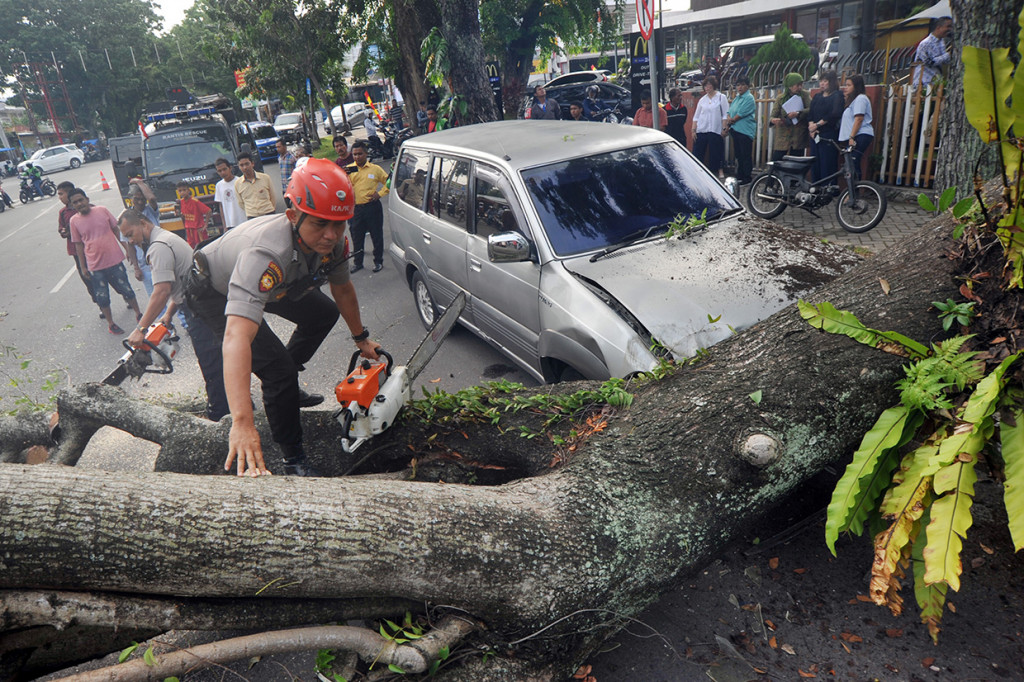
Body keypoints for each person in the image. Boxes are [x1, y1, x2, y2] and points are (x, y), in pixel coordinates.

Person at [184, 158, 381, 477]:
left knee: (324, 314)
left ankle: (282, 385)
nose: (331, 235)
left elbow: (342, 289)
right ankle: (294, 460)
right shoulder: (266, 254)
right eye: (319, 223)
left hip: (281, 282)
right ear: (292, 216)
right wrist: (243, 423)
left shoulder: (334, 243)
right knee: (280, 373)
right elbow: (236, 338)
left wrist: (362, 339)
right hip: (214, 290)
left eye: (339, 223)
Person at [118, 209, 229, 421]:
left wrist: (141, 329)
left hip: (200, 307)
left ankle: (220, 414)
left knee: (211, 363)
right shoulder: (166, 238)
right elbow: (182, 283)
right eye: (127, 237)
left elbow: (161, 291)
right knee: (220, 357)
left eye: (131, 234)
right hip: (200, 299)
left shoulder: (158, 248)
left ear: (143, 223)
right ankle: (235, 402)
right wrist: (169, 313)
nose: (130, 241)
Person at [68, 188, 142, 335]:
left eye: (81, 200)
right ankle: (111, 323)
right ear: (72, 206)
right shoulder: (74, 221)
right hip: (95, 266)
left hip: (114, 260)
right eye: (75, 202)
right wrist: (83, 267)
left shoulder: (102, 210)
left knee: (126, 289)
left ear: (87, 200)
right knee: (102, 297)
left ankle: (139, 313)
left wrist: (127, 249)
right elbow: (78, 245)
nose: (79, 203)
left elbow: (116, 230)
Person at [57, 181, 102, 315]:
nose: (59, 197)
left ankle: (126, 295)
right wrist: (63, 232)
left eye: (61, 194)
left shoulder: (88, 208)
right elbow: (61, 228)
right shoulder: (63, 212)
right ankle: (100, 304)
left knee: (107, 275)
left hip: (94, 249)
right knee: (87, 279)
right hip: (77, 252)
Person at [346, 140, 389, 273]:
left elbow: (388, 181)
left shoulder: (375, 169)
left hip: (372, 207)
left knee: (376, 235)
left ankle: (378, 261)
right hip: (356, 209)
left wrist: (380, 194)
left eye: (360, 154)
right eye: (354, 154)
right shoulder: (349, 169)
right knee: (357, 236)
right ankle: (358, 263)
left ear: (366, 154)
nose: (357, 157)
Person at [806, 70, 845, 183]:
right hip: (815, 134)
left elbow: (835, 114)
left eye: (825, 81)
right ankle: (816, 185)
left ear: (831, 82)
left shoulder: (837, 95)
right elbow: (811, 113)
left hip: (828, 133)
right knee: (815, 161)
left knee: (827, 161)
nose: (822, 84)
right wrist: (811, 127)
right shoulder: (817, 97)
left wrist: (818, 124)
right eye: (821, 81)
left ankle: (828, 187)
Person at [692, 75, 730, 177]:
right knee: (698, 151)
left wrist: (724, 128)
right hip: (702, 128)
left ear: (713, 86)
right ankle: (697, 171)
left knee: (716, 151)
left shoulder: (721, 97)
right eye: (705, 86)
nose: (707, 88)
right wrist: (693, 130)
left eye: (709, 85)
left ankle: (718, 170)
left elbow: (725, 114)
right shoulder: (702, 100)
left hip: (715, 128)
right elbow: (696, 116)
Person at [838, 74, 874, 181]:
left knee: (853, 162)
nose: (846, 88)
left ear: (856, 86)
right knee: (852, 163)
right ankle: (852, 191)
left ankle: (854, 192)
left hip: (861, 135)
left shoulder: (861, 98)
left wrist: (851, 137)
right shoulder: (853, 100)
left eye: (849, 85)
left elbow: (859, 119)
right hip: (856, 135)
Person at [769, 72, 811, 161]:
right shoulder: (781, 98)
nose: (800, 87)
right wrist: (774, 120)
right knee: (777, 160)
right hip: (783, 134)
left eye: (801, 85)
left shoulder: (805, 95)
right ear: (790, 86)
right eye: (797, 85)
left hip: (798, 134)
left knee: (796, 160)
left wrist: (798, 113)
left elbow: (811, 109)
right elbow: (773, 115)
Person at [724, 77, 756, 184]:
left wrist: (732, 120)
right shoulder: (737, 97)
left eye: (742, 85)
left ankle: (747, 177)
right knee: (738, 155)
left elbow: (741, 113)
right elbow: (730, 110)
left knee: (745, 155)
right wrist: (729, 117)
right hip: (735, 130)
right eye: (738, 85)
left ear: (747, 86)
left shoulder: (749, 98)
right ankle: (740, 175)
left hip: (745, 131)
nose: (740, 87)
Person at [233, 151, 276, 220]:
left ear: (252, 163)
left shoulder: (265, 178)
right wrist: (252, 212)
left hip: (269, 214)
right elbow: (241, 203)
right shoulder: (237, 183)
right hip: (252, 217)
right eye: (241, 165)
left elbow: (272, 197)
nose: (245, 167)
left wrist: (270, 210)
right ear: (239, 167)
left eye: (247, 164)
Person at [913, 16, 953, 89]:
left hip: (936, 83)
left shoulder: (941, 42)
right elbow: (929, 62)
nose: (950, 29)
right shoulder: (926, 43)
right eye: (948, 26)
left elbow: (945, 62)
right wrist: (947, 55)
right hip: (924, 83)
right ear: (938, 28)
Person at [176, 182, 211, 248]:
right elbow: (184, 216)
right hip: (189, 229)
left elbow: (208, 211)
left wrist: (206, 224)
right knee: (191, 248)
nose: (182, 192)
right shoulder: (181, 202)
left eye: (184, 190)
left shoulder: (195, 201)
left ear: (188, 190)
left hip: (198, 230)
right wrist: (180, 215)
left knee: (203, 247)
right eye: (180, 191)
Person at [213, 158, 246, 231]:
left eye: (224, 169)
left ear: (230, 168)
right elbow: (221, 206)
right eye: (220, 171)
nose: (223, 172)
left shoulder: (240, 181)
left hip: (244, 221)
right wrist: (225, 225)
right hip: (230, 224)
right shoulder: (219, 185)